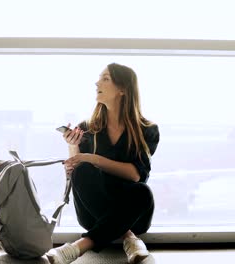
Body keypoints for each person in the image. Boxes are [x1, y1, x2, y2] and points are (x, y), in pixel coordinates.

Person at [46, 63, 160, 264]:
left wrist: (94, 159)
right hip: (93, 213)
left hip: (133, 212)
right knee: (82, 171)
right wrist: (74, 147)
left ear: (123, 89)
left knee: (143, 192)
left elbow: (135, 175)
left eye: (105, 78)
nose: (97, 82)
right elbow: (77, 170)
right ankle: (129, 238)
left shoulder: (147, 130)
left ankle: (77, 247)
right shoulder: (87, 129)